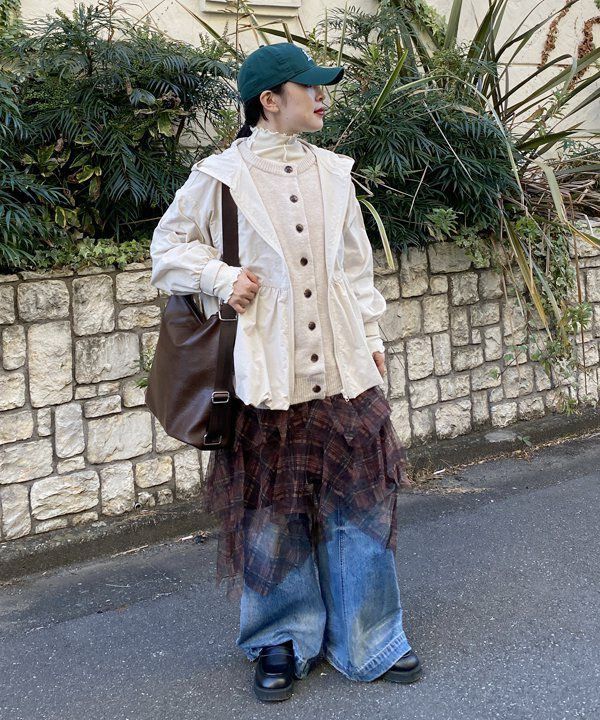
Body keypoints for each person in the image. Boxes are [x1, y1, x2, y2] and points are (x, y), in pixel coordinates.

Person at [149, 42, 421, 702]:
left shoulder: (335, 173)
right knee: (270, 512)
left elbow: (355, 269)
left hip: (343, 369)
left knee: (360, 503)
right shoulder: (221, 177)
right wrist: (221, 278)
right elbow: (166, 249)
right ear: (270, 101)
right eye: (310, 87)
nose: (322, 96)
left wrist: (372, 337)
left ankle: (370, 637)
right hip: (266, 375)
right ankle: (280, 637)